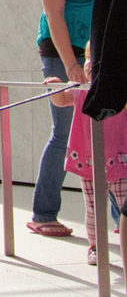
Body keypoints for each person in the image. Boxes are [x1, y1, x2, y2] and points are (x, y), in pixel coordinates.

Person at [27, 0, 100, 236]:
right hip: (61, 49)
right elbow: (54, 14)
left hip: (94, 48)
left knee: (105, 129)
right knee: (64, 130)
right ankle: (43, 213)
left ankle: (116, 219)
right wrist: (71, 64)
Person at [52, 76, 127, 266]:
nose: (90, 65)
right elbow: (61, 100)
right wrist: (55, 86)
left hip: (121, 161)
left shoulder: (118, 89)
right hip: (91, 161)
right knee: (93, 210)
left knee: (124, 207)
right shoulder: (81, 90)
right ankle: (95, 246)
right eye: (87, 60)